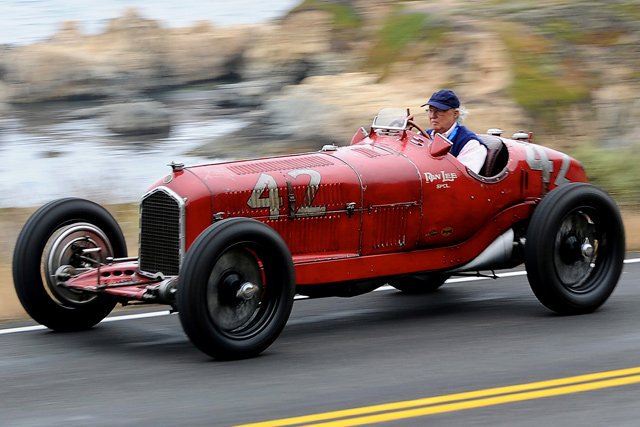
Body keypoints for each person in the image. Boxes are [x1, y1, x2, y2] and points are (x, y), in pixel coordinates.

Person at [420, 89, 487, 174]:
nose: (432, 116)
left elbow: (462, 178)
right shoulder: (422, 136)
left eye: (439, 111)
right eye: (430, 110)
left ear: (455, 114)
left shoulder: (469, 144)